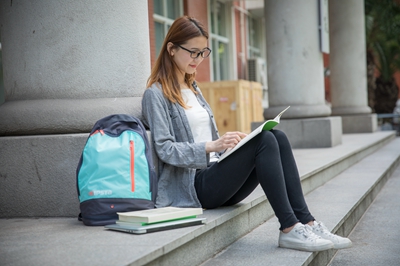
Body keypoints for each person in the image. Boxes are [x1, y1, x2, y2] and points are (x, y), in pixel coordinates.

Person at [141, 15, 352, 252]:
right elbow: (164, 148)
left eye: (203, 52)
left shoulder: (193, 88)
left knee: (277, 137)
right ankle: (289, 228)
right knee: (263, 141)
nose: (198, 59)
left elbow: (204, 135)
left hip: (215, 175)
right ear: (171, 48)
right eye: (193, 52)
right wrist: (212, 146)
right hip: (194, 188)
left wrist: (231, 144)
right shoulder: (155, 94)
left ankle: (308, 222)